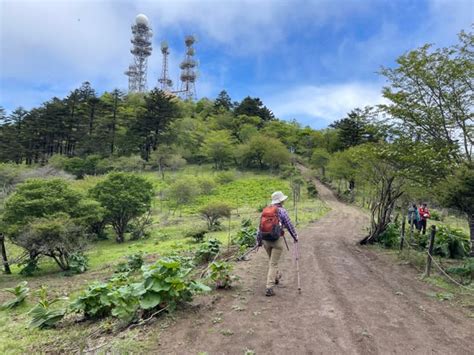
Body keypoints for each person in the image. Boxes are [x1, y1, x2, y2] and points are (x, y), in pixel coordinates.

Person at [257, 191, 298, 297]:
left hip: (266, 240)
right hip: (277, 240)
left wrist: (259, 241)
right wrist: (295, 237)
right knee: (273, 263)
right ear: (281, 200)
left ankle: (276, 277)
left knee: (272, 261)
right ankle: (269, 287)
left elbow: (259, 227)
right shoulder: (282, 211)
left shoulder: (265, 210)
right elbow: (289, 225)